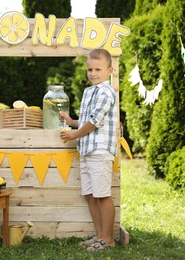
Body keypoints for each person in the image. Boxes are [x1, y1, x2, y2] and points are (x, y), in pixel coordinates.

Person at [59, 48, 118, 251]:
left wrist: (74, 134)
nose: (93, 73)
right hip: (86, 150)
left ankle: (109, 239)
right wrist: (71, 121)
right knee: (91, 195)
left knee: (102, 195)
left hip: (100, 151)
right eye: (90, 70)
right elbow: (85, 121)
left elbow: (94, 121)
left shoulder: (106, 91)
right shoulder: (90, 91)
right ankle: (100, 235)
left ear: (110, 70)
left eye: (98, 69)